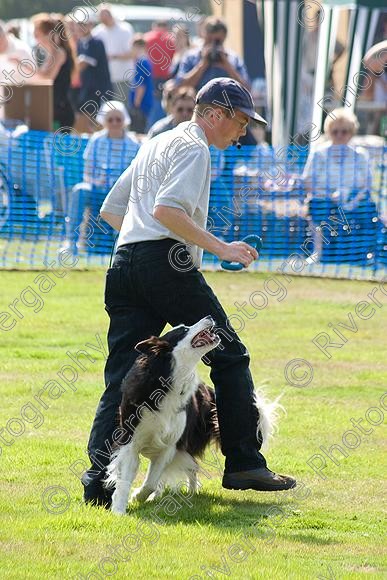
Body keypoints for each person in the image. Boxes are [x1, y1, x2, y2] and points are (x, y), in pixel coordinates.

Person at [81, 77, 296, 508]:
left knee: (122, 376)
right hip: (167, 266)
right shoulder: (195, 147)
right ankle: (243, 463)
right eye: (240, 122)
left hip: (124, 265)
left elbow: (111, 209)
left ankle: (99, 482)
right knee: (230, 355)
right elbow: (167, 210)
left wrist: (142, 244)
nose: (243, 132)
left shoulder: (154, 143)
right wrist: (220, 247)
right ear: (215, 114)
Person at [62, 101, 139, 255]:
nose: (115, 123)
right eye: (110, 119)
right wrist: (97, 181)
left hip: (124, 193)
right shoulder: (96, 141)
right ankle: (71, 241)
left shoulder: (134, 144)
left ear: (125, 120)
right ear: (104, 121)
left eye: (119, 119)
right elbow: (87, 173)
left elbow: (138, 175)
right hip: (97, 188)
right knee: (79, 190)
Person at [302, 108, 375, 262]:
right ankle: (318, 253)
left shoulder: (361, 155)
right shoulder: (318, 153)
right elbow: (308, 181)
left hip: (355, 200)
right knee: (317, 207)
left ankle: (364, 255)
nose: (340, 135)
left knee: (369, 209)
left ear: (351, 132)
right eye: (335, 131)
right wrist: (329, 196)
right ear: (329, 131)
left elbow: (368, 185)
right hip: (323, 199)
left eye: (345, 131)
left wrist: (352, 200)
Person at [175, 17, 250, 91]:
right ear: (204, 35)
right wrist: (203, 65)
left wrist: (227, 66)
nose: (213, 45)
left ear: (224, 37)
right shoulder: (191, 57)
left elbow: (246, 89)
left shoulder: (234, 59)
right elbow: (180, 86)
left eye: (217, 41)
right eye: (210, 40)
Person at [32, 14, 75, 129]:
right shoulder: (51, 54)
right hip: (55, 108)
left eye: (39, 34)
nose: (36, 38)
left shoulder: (59, 53)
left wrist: (26, 68)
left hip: (61, 111)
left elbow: (48, 78)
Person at [92, 5, 134, 108]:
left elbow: (131, 53)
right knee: (105, 109)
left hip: (122, 77)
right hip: (104, 78)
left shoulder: (125, 29)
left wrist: (112, 57)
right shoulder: (97, 32)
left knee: (121, 108)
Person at [76, 20, 112, 131]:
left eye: (84, 25)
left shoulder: (97, 42)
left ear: (91, 26)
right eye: (79, 25)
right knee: (85, 120)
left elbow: (82, 64)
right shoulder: (80, 43)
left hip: (100, 89)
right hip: (87, 89)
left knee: (101, 121)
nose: (81, 28)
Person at [144, 20, 176, 127]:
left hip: (149, 76)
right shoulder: (171, 40)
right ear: (166, 27)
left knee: (151, 104)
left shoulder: (147, 38)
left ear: (154, 26)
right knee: (165, 103)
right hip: (166, 77)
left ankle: (150, 128)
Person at [128, 36, 153, 134]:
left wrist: (136, 104)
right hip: (145, 102)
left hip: (141, 104)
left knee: (137, 131)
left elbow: (141, 85)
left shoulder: (141, 62)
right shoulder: (145, 61)